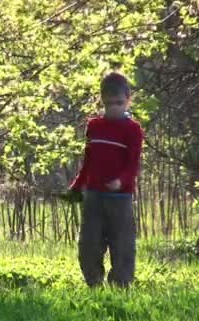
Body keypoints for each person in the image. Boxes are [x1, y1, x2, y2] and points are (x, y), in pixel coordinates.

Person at [68, 71, 144, 287]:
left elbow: (133, 164)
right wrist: (78, 185)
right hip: (94, 195)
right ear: (102, 100)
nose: (114, 108)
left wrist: (121, 181)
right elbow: (89, 159)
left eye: (119, 103)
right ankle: (93, 283)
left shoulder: (133, 130)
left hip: (120, 198)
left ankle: (120, 286)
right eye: (109, 103)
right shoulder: (95, 126)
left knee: (122, 245)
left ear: (128, 100)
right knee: (89, 244)